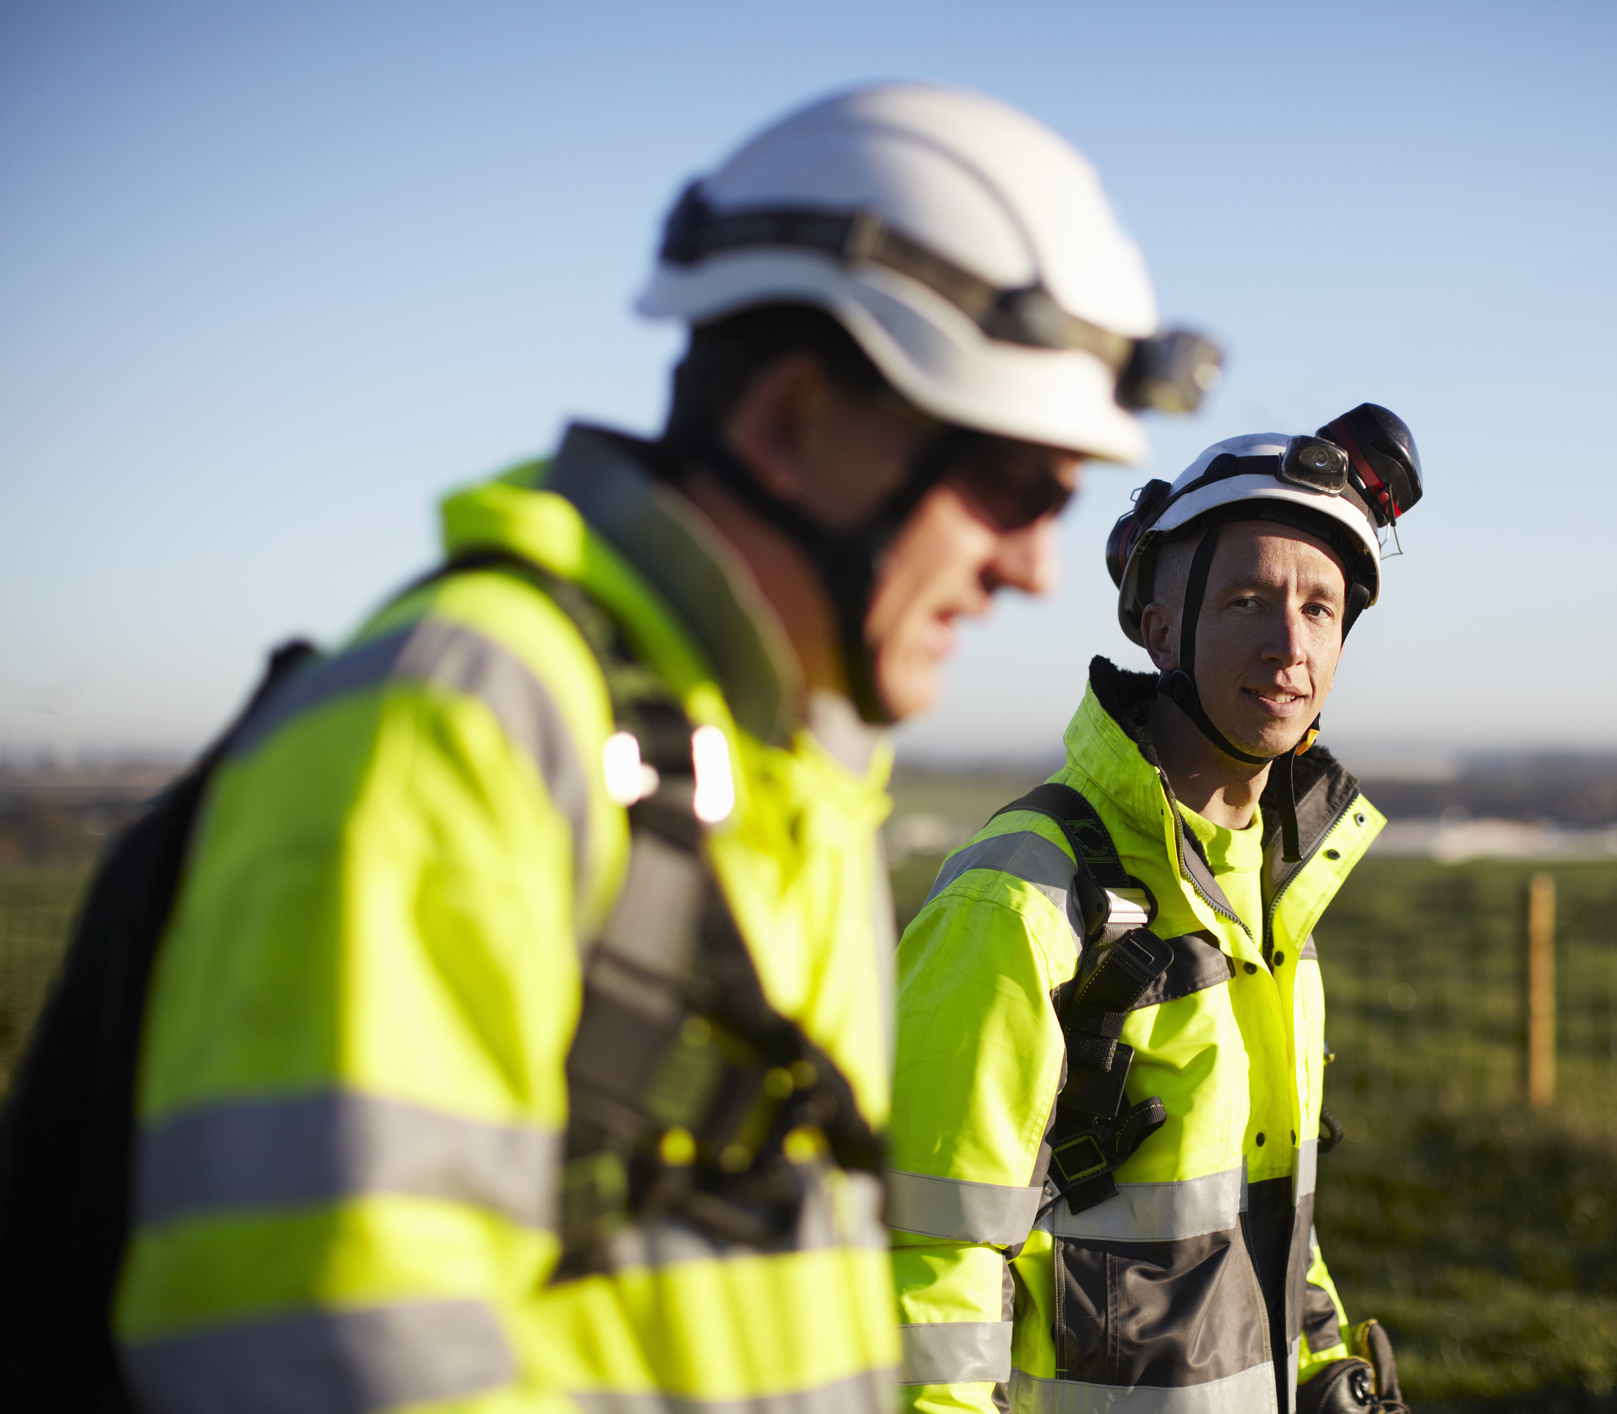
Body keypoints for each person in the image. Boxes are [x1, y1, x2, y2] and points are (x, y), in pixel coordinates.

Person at [107, 84, 1217, 1413]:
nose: (1036, 567)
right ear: (791, 424)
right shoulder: (462, 724)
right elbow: (318, 1355)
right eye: (1009, 486)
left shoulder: (774, 772)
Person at [888, 407, 1423, 1414]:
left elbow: (1269, 1216)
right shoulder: (1021, 895)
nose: (1288, 644)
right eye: (1247, 599)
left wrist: (1319, 1365)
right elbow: (929, 1251)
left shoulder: (1273, 902)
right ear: (1158, 625)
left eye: (1320, 608)